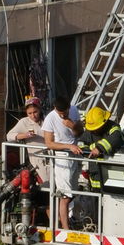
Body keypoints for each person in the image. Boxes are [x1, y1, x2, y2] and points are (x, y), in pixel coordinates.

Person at [42, 93, 82, 229]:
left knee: (74, 192)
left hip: (75, 155)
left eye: (65, 112)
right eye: (60, 113)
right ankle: (65, 229)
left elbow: (80, 132)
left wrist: (72, 125)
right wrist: (68, 146)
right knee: (64, 195)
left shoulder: (74, 110)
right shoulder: (50, 119)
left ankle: (72, 221)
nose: (63, 116)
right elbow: (49, 143)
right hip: (61, 158)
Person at [78, 105, 124, 191]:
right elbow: (81, 144)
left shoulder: (113, 128)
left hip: (111, 174)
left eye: (96, 128)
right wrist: (87, 151)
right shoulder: (90, 130)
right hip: (95, 176)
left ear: (104, 122)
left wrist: (99, 148)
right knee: (95, 202)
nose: (94, 131)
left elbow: (116, 137)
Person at [4, 96, 49, 177]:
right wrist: (25, 135)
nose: (33, 116)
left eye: (35, 112)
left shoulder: (47, 119)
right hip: (37, 159)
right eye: (30, 113)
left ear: (40, 110)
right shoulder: (24, 122)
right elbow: (9, 136)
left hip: (52, 155)